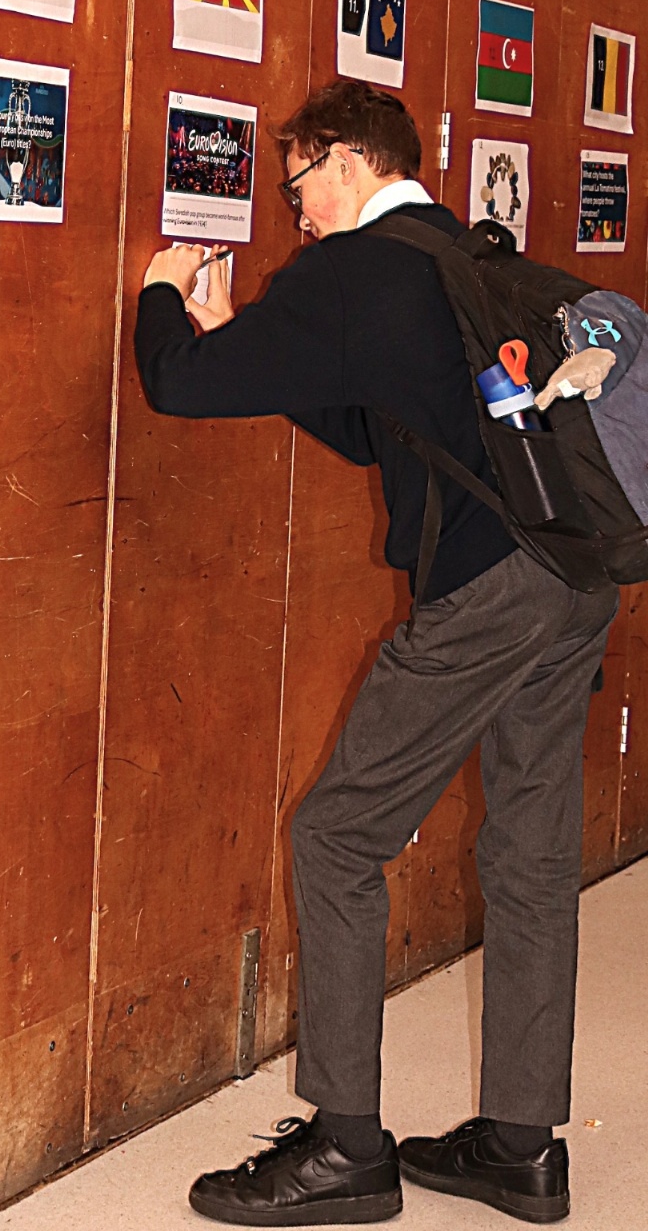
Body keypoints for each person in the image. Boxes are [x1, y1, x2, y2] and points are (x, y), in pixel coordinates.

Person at [135, 78, 617, 1227]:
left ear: (347, 161)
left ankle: (346, 1147)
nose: (295, 212)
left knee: (336, 834)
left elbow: (174, 383)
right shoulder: (453, 251)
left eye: (297, 185)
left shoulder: (351, 269)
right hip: (576, 573)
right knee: (532, 851)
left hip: (490, 591)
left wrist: (160, 292)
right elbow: (373, 422)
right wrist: (240, 336)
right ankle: (520, 1148)